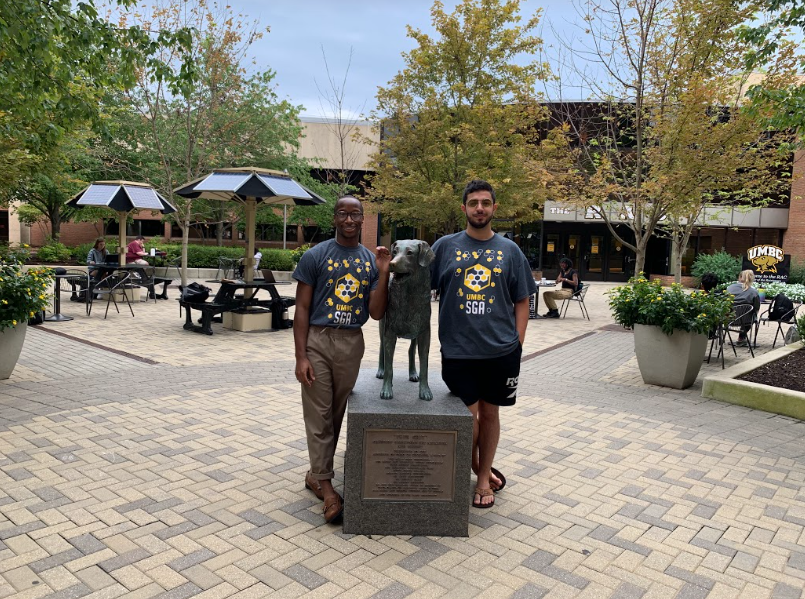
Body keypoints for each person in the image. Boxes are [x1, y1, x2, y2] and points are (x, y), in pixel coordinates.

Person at [431, 180, 536, 509]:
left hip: (501, 352)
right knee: (465, 419)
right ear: (464, 208)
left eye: (485, 203)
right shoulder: (445, 247)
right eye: (473, 202)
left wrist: (517, 342)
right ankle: (478, 466)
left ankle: (481, 478)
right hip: (458, 351)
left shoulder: (510, 251)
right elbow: (420, 286)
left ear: (494, 208)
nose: (480, 208)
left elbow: (523, 299)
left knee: (490, 415)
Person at [293, 196, 390, 523]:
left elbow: (376, 313)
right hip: (319, 339)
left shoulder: (368, 260)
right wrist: (300, 356)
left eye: (355, 215)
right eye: (343, 214)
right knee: (318, 413)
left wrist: (384, 273)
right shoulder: (315, 255)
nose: (349, 220)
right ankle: (328, 488)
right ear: (334, 218)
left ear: (363, 219)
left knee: (334, 413)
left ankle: (315, 475)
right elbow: (302, 309)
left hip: (351, 340)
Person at [726, 269, 761, 346]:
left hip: (729, 319)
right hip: (746, 321)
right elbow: (756, 308)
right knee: (751, 315)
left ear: (739, 277)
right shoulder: (753, 292)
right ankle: (741, 338)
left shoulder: (729, 288)